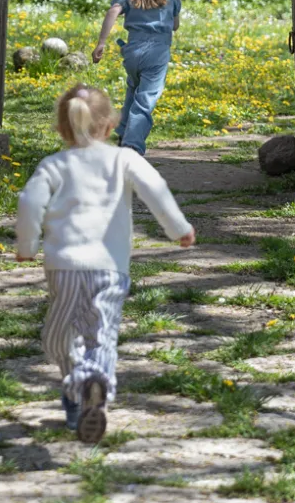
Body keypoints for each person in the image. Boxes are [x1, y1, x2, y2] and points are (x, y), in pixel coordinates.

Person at [15, 83, 195, 443]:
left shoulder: (53, 165)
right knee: (101, 335)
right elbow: (155, 189)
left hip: (63, 269)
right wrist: (178, 229)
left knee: (58, 339)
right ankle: (94, 384)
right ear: (111, 125)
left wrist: (27, 245)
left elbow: (30, 203)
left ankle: (76, 396)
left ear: (61, 128)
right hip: (110, 270)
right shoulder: (123, 159)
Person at [92, 0, 181, 153]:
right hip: (157, 53)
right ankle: (132, 144)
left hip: (132, 51)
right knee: (145, 99)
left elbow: (113, 11)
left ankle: (123, 131)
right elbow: (175, 25)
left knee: (134, 88)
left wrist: (101, 42)